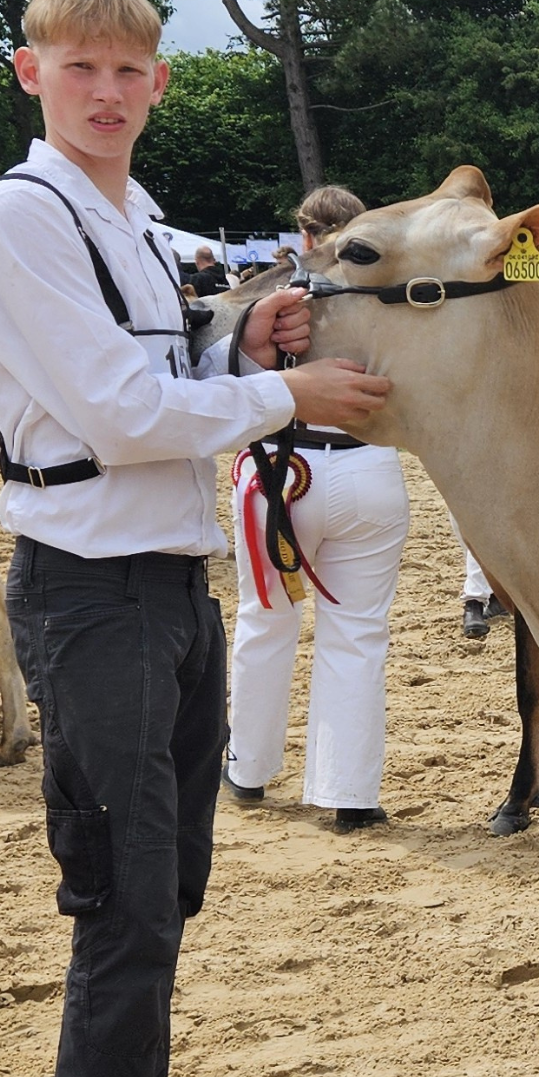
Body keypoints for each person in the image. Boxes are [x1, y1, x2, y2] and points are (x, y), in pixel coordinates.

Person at [0, 0, 388, 1077]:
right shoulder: (22, 215)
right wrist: (284, 388)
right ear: (31, 74)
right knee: (122, 892)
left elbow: (159, 372)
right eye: (79, 67)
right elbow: (118, 411)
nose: (106, 91)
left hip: (167, 584)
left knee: (166, 883)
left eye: (128, 70)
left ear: (157, 82)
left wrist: (232, 338)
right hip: (90, 590)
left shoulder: (131, 219)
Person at [224, 182, 410, 835]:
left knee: (265, 620)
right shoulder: (391, 302)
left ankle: (248, 768)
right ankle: (350, 792)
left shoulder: (272, 295)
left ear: (304, 236)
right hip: (368, 469)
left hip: (284, 470)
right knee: (358, 634)